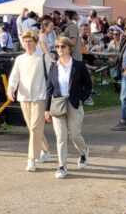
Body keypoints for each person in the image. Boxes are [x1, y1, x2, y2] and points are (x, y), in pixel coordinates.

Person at [44, 37, 92, 179]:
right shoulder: (53, 66)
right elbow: (49, 88)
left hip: (74, 104)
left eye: (63, 46)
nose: (60, 49)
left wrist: (82, 99)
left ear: (69, 48)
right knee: (61, 136)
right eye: (57, 46)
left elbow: (88, 85)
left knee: (75, 134)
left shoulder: (79, 65)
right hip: (57, 104)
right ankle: (62, 166)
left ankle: (84, 152)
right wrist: (47, 109)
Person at [7, 31, 53, 172]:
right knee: (33, 128)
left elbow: (53, 69)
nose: (27, 44)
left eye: (30, 41)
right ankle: (46, 151)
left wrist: (46, 50)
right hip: (24, 97)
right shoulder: (20, 59)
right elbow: (14, 77)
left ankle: (31, 159)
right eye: (25, 41)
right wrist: (11, 89)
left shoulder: (43, 57)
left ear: (36, 42)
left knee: (34, 128)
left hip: (40, 96)